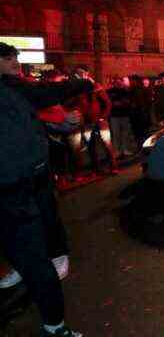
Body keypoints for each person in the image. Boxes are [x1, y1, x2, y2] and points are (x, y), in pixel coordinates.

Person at [0, 42, 87, 337]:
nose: (15, 61)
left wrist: (60, 122)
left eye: (15, 56)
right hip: (13, 184)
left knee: (38, 239)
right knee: (31, 254)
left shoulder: (15, 89)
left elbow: (41, 108)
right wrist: (79, 84)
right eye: (8, 57)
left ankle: (54, 320)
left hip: (27, 180)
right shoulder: (13, 91)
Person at [107, 76, 134, 159]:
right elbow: (109, 102)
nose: (118, 84)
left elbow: (128, 101)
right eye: (116, 82)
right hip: (114, 116)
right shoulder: (109, 91)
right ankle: (117, 151)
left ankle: (125, 149)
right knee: (116, 134)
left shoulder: (125, 91)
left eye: (119, 82)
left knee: (125, 133)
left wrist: (123, 103)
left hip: (124, 114)